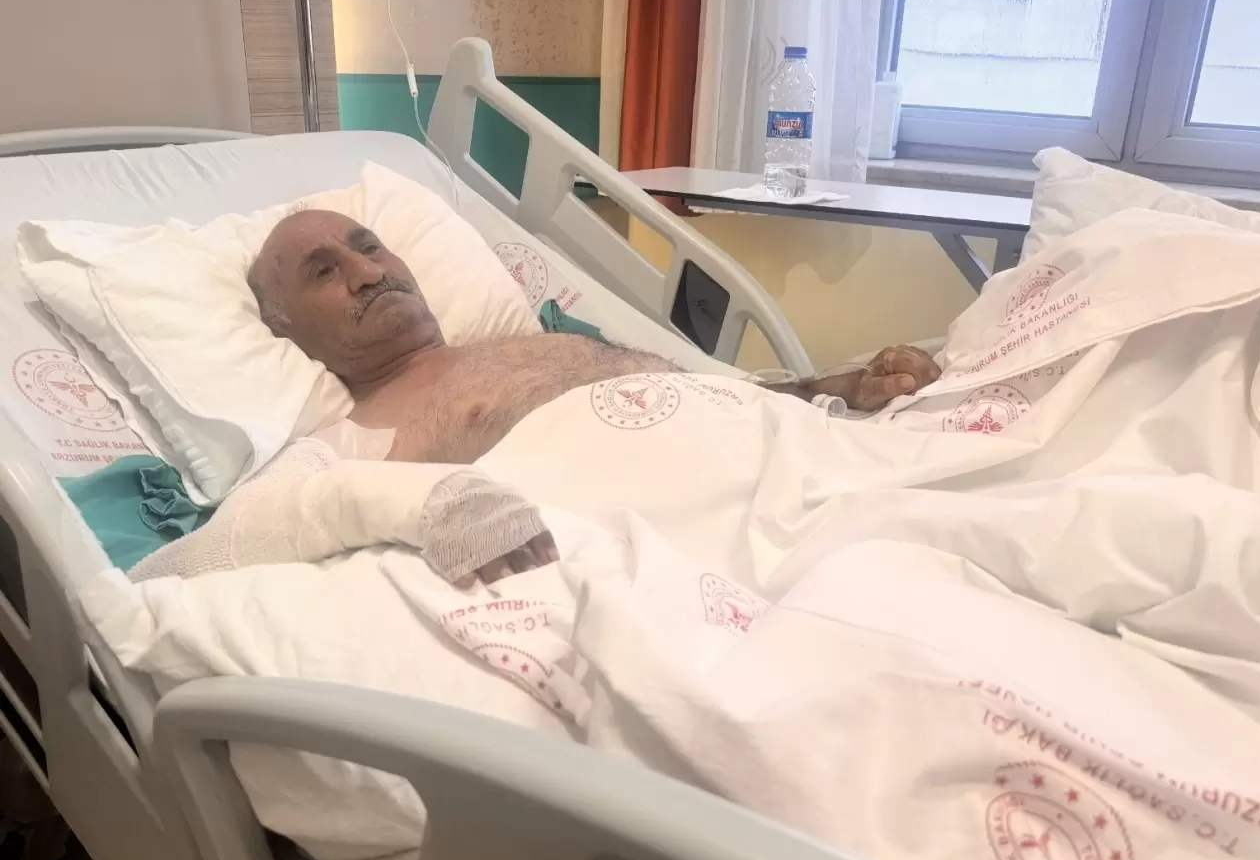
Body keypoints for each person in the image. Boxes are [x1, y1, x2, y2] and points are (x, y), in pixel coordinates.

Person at [246, 208, 940, 581]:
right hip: (721, 545)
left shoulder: (530, 340)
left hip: (801, 460)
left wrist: (830, 388)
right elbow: (230, 548)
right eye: (323, 271)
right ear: (283, 327)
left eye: (370, 246)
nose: (368, 272)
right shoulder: (352, 441)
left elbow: (696, 392)